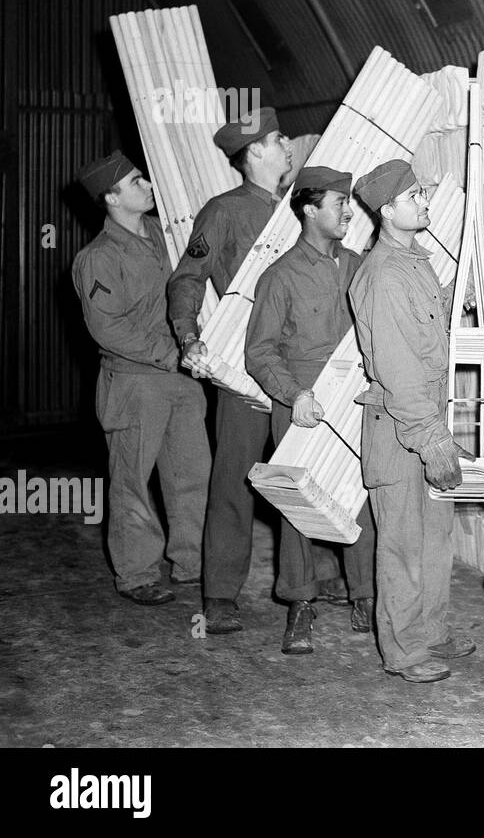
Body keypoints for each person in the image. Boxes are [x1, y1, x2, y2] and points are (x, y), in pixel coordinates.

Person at [168, 108, 349, 635]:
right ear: (253, 153)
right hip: (248, 372)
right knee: (234, 481)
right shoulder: (223, 211)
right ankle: (221, 594)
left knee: (305, 476)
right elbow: (187, 277)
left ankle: (315, 577)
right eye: (278, 139)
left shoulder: (301, 209)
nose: (288, 146)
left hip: (302, 375)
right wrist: (189, 335)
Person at [348, 160, 474, 684]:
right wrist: (433, 441)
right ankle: (402, 651)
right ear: (387, 210)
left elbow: (421, 331)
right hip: (401, 427)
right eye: (415, 195)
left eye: (423, 192)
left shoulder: (414, 261)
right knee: (401, 544)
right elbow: (398, 369)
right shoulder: (381, 275)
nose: (424, 202)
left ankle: (429, 629)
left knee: (434, 538)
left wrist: (451, 301)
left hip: (425, 417)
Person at [244, 166, 377, 655]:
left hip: (355, 401)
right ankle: (300, 605)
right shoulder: (279, 276)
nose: (347, 210)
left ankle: (365, 596)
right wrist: (294, 393)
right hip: (300, 403)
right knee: (298, 508)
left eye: (348, 201)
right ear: (308, 209)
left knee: (362, 498)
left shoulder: (361, 265)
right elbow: (259, 352)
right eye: (338, 202)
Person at [72, 152, 211, 605]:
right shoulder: (97, 258)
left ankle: (192, 562)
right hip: (134, 383)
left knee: (192, 474)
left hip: (182, 379)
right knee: (132, 481)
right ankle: (136, 573)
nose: (148, 184)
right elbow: (107, 326)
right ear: (111, 197)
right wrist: (170, 354)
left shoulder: (166, 237)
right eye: (136, 182)